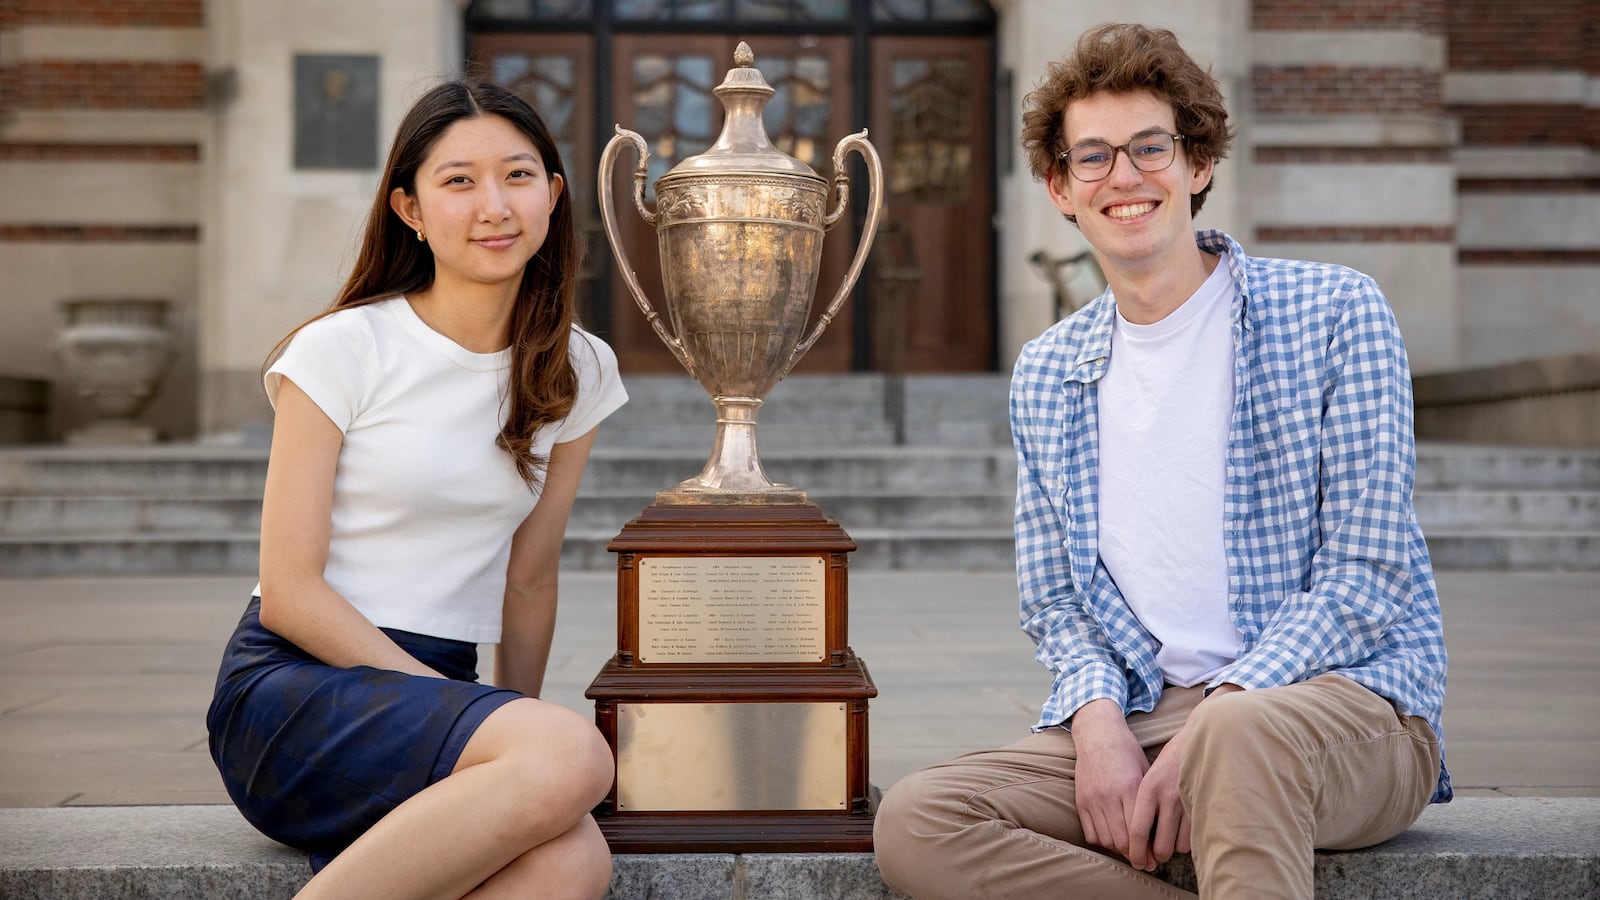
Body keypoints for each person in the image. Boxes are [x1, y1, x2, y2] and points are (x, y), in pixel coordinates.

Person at [873, 23, 1449, 900]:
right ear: (1061, 188)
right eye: (1093, 157)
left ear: (1199, 163)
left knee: (1240, 739)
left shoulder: (1334, 313)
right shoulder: (1049, 372)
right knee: (919, 819)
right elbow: (1056, 600)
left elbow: (1366, 579)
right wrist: (1097, 719)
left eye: (1151, 147)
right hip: (1147, 711)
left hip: (1344, 706)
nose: (1126, 177)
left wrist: (1220, 717)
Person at [206, 79, 627, 900]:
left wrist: (513, 743)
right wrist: (511, 735)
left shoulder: (582, 368)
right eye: (458, 180)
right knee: (573, 753)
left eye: (517, 174)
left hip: (436, 697)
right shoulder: (343, 347)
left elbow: (530, 577)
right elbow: (290, 594)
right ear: (409, 209)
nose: (494, 205)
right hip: (297, 689)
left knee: (572, 859)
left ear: (554, 194)